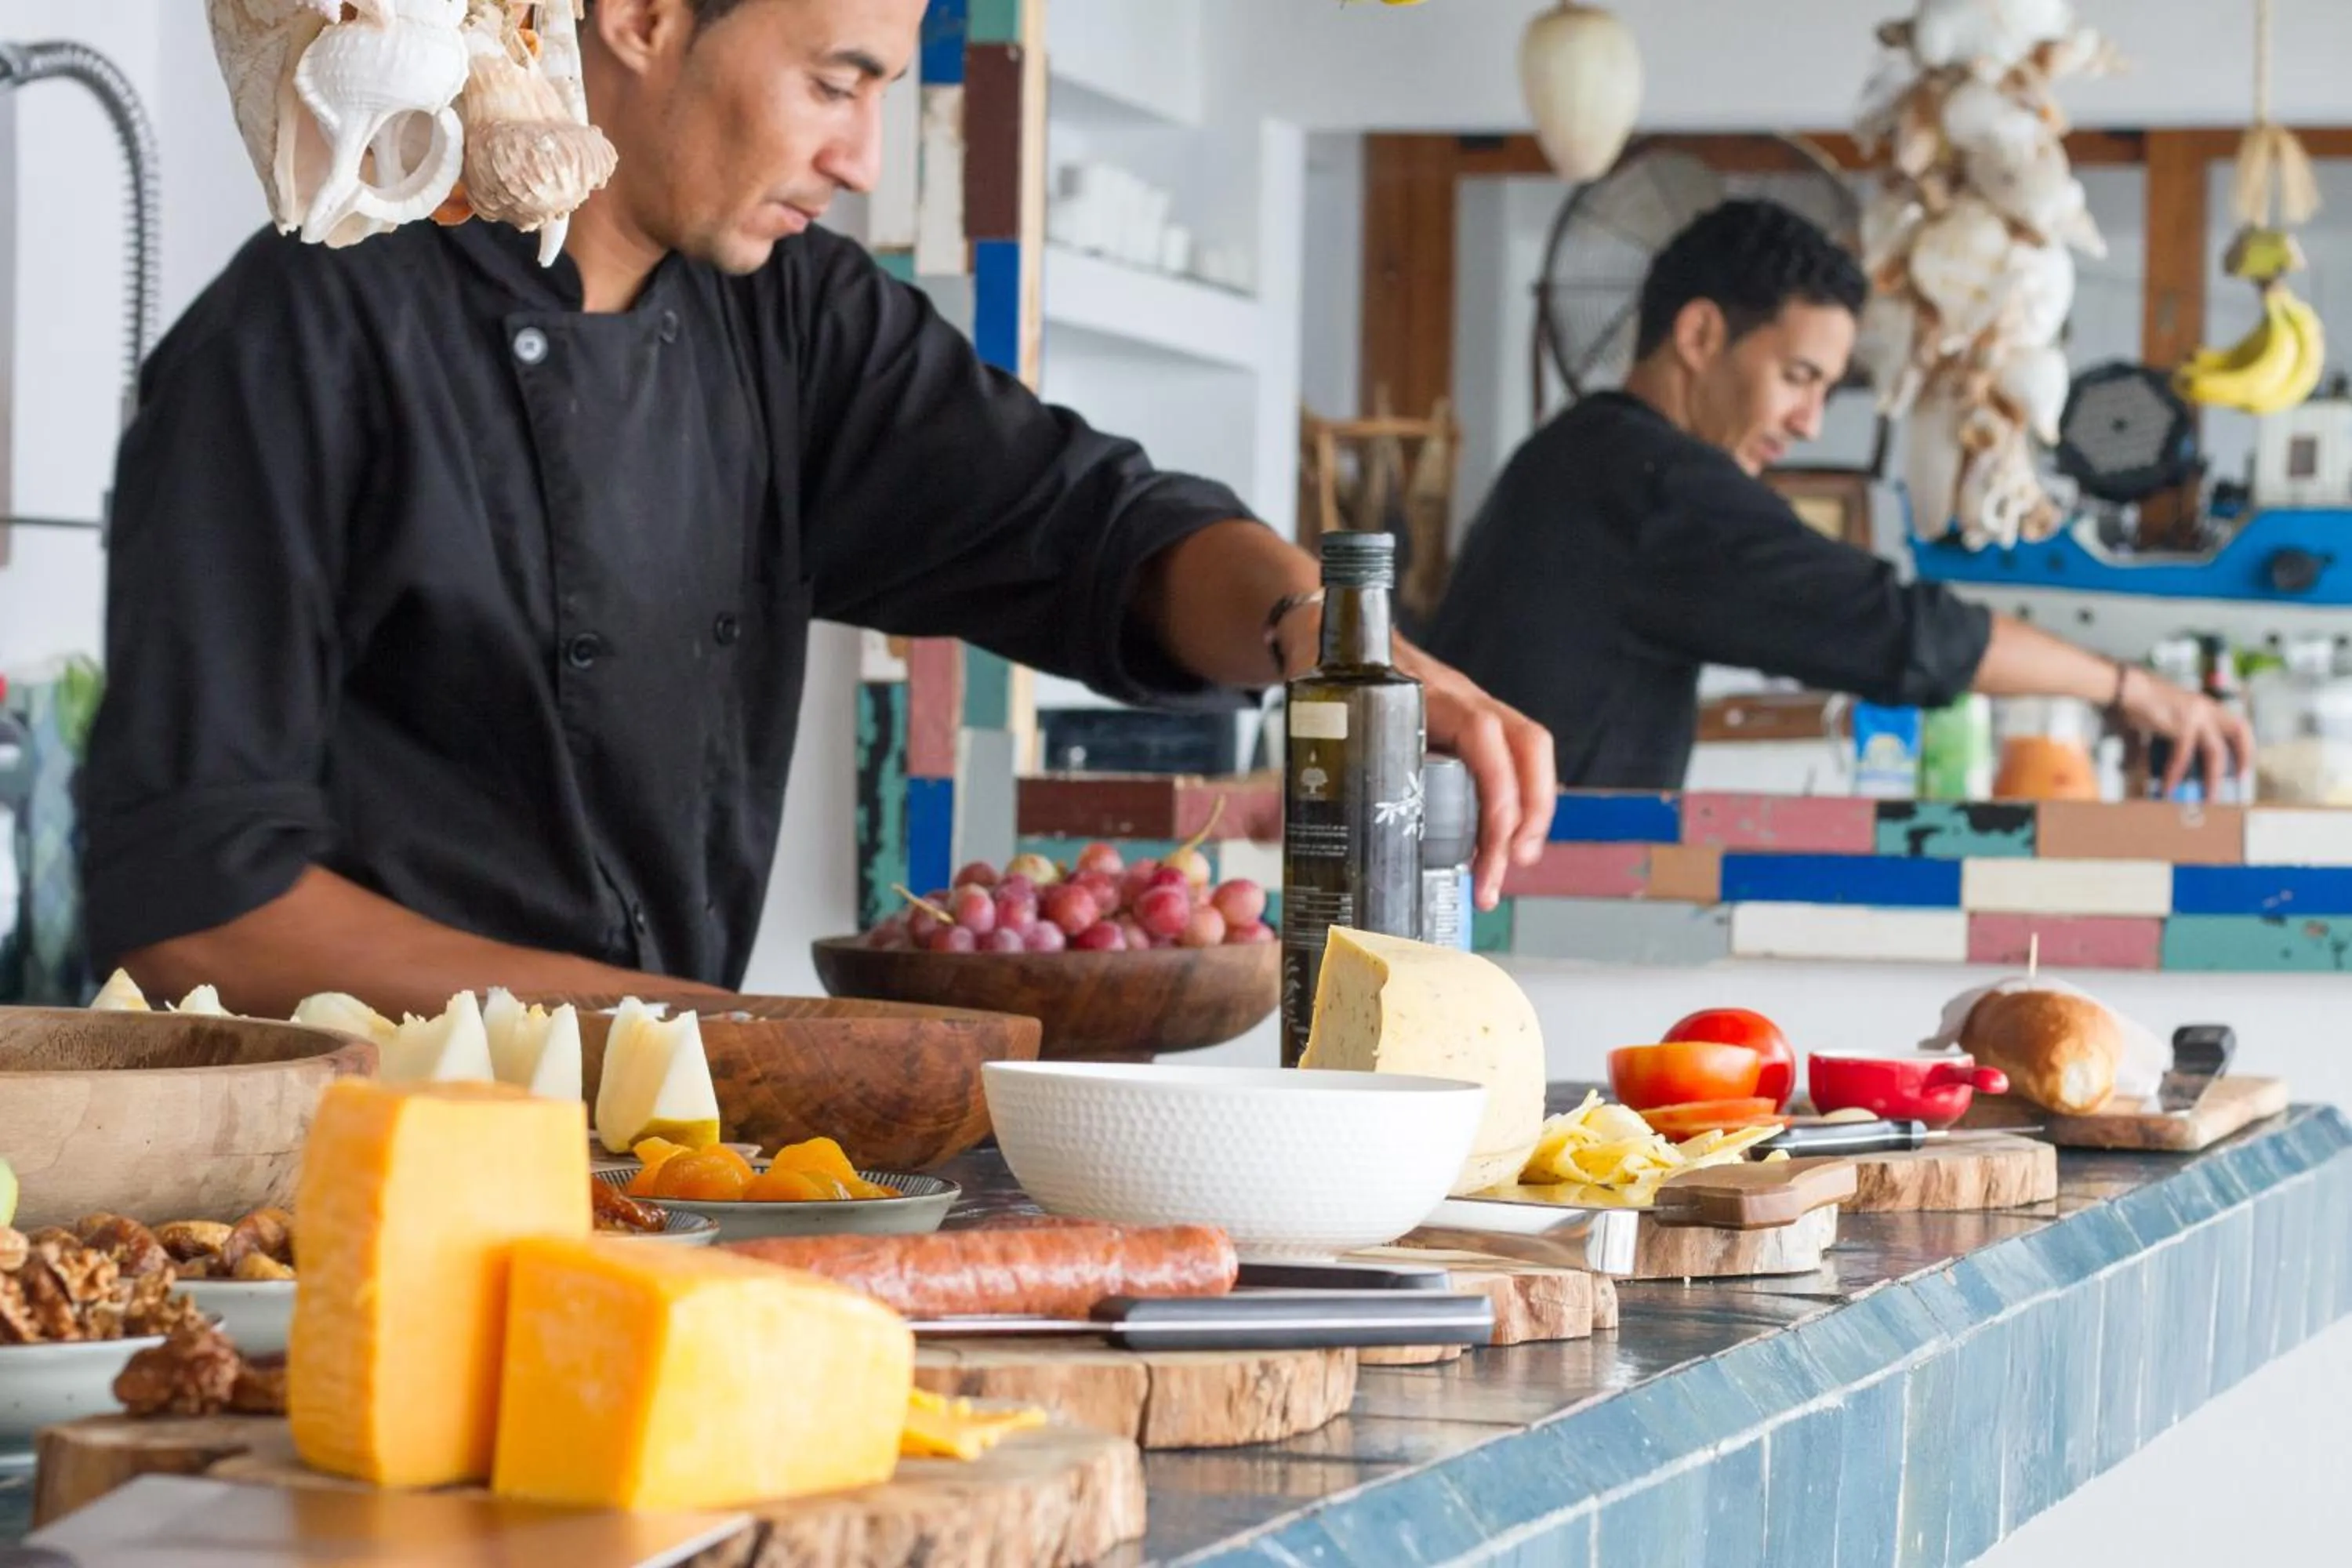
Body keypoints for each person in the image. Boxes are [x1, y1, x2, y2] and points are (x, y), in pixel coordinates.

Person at [85, 0, 1554, 1021]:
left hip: (663, 1167)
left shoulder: (791, 321)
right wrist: (712, 1033)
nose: (862, 159)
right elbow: (203, 904)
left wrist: (1328, 637)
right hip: (333, 1191)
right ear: (644, 21)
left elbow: (1096, 529)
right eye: (835, 85)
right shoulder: (295, 344)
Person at [1427, 198, 2251, 796]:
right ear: (1700, 335)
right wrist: (2131, 688)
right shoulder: (1652, 481)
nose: (1810, 422)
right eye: (1797, 377)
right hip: (1521, 916)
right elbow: (1896, 632)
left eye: (1825, 389)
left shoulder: (1579, 453)